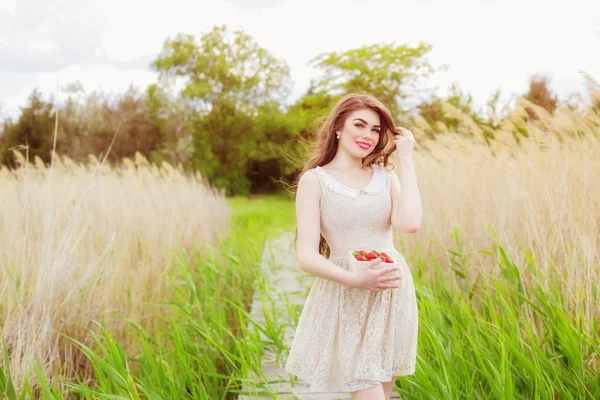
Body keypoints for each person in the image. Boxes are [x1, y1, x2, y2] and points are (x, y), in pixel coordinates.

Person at [284, 93, 422, 400]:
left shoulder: (385, 177)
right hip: (347, 293)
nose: (368, 135)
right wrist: (355, 279)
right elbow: (306, 255)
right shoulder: (315, 181)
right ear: (338, 128)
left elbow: (410, 223)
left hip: (392, 293)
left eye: (375, 129)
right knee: (368, 392)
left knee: (382, 393)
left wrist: (406, 160)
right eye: (359, 125)